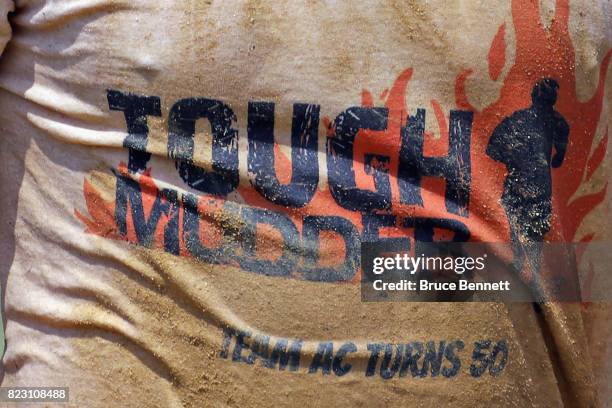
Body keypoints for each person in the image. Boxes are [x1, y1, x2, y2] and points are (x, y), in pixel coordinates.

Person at [486, 79, 569, 281]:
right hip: (536, 183)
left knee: (520, 224)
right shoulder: (557, 122)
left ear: (533, 97)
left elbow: (492, 149)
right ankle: (531, 270)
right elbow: (558, 160)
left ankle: (524, 266)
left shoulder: (519, 119)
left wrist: (514, 159)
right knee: (532, 229)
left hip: (522, 181)